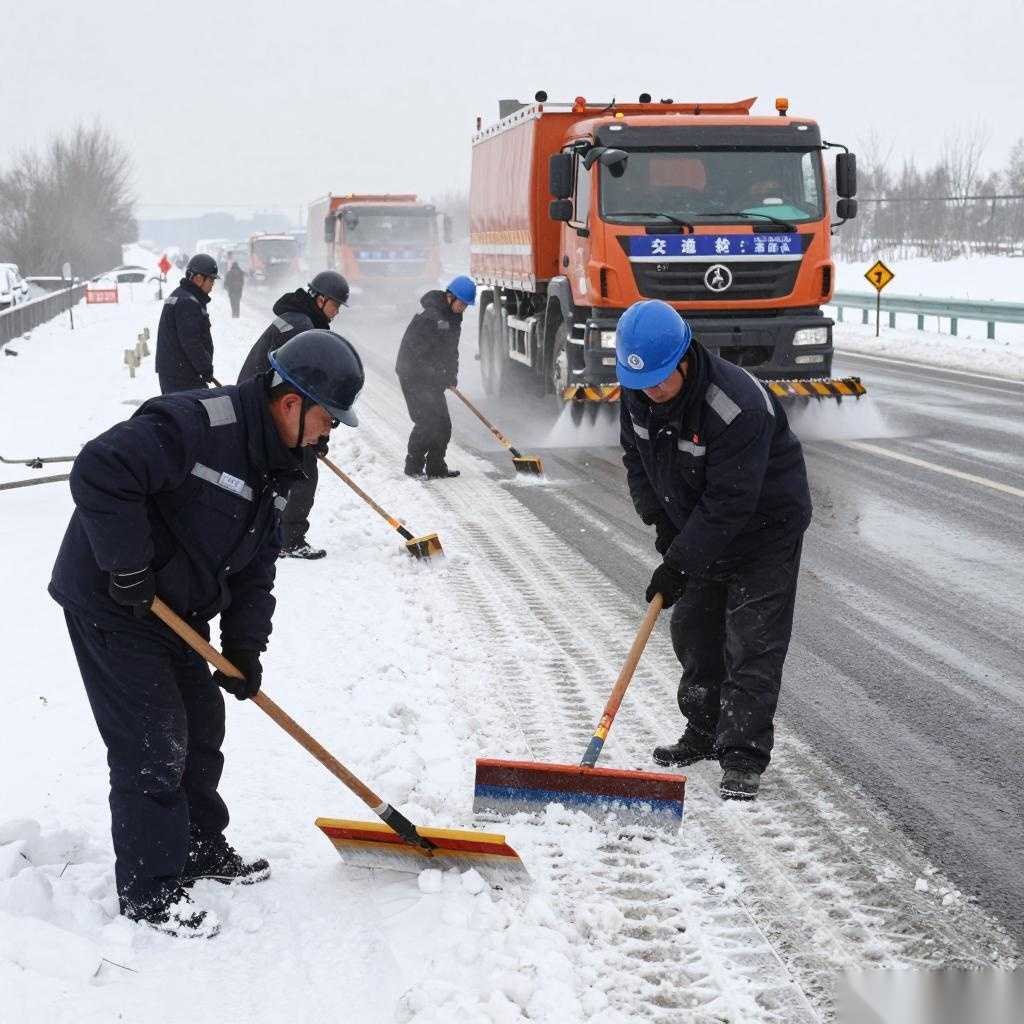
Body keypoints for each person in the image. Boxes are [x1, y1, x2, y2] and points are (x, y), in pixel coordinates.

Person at [48, 330, 364, 938]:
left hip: (176, 607)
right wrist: (128, 564)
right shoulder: (198, 424)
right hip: (114, 601)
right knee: (154, 743)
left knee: (200, 727)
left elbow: (255, 568)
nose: (331, 434)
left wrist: (245, 649)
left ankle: (197, 847)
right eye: (328, 418)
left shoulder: (279, 462)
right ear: (291, 402)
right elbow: (99, 468)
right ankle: (151, 890)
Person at [616, 299, 811, 801]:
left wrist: (679, 562)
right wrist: (662, 525)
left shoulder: (735, 405)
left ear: (686, 358)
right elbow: (638, 461)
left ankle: (742, 754)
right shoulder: (638, 393)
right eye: (642, 382)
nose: (652, 391)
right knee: (696, 633)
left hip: (765, 530)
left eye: (661, 379)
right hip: (701, 527)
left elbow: (731, 502)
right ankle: (703, 732)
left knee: (752, 642)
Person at [237, 271, 350, 559]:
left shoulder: (300, 318)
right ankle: (289, 539)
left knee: (281, 472)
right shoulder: (301, 327)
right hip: (270, 405)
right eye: (335, 304)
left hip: (263, 400)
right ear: (320, 299)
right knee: (302, 471)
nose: (336, 311)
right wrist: (313, 433)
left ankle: (270, 534)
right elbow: (302, 383)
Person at [395, 275, 475, 479]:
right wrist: (436, 375)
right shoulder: (430, 316)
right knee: (427, 422)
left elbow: (451, 351)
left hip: (431, 377)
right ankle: (413, 467)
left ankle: (436, 467)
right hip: (412, 374)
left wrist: (451, 374)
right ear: (450, 297)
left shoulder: (453, 318)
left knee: (443, 424)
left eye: (466, 305)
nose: (463, 308)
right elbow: (415, 354)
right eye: (462, 303)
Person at [155, 253, 218, 394]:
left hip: (178, 371)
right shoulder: (188, 302)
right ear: (199, 279)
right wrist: (205, 368)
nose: (213, 285)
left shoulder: (181, 295)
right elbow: (191, 342)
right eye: (211, 280)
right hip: (183, 376)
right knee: (193, 413)